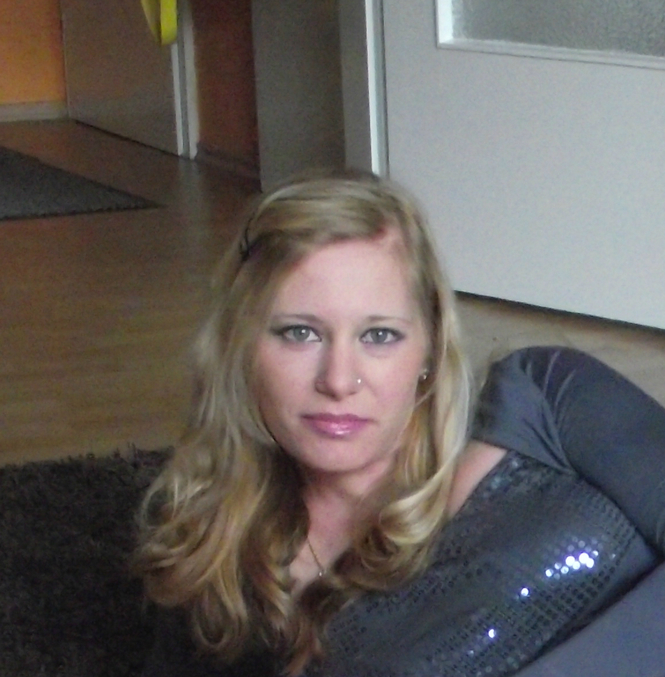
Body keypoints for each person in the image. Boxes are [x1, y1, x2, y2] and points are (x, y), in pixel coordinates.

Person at [134, 172, 665, 677]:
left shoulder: (543, 397)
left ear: (429, 347)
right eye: (299, 333)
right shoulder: (212, 559)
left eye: (379, 336)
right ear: (242, 348)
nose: (338, 380)